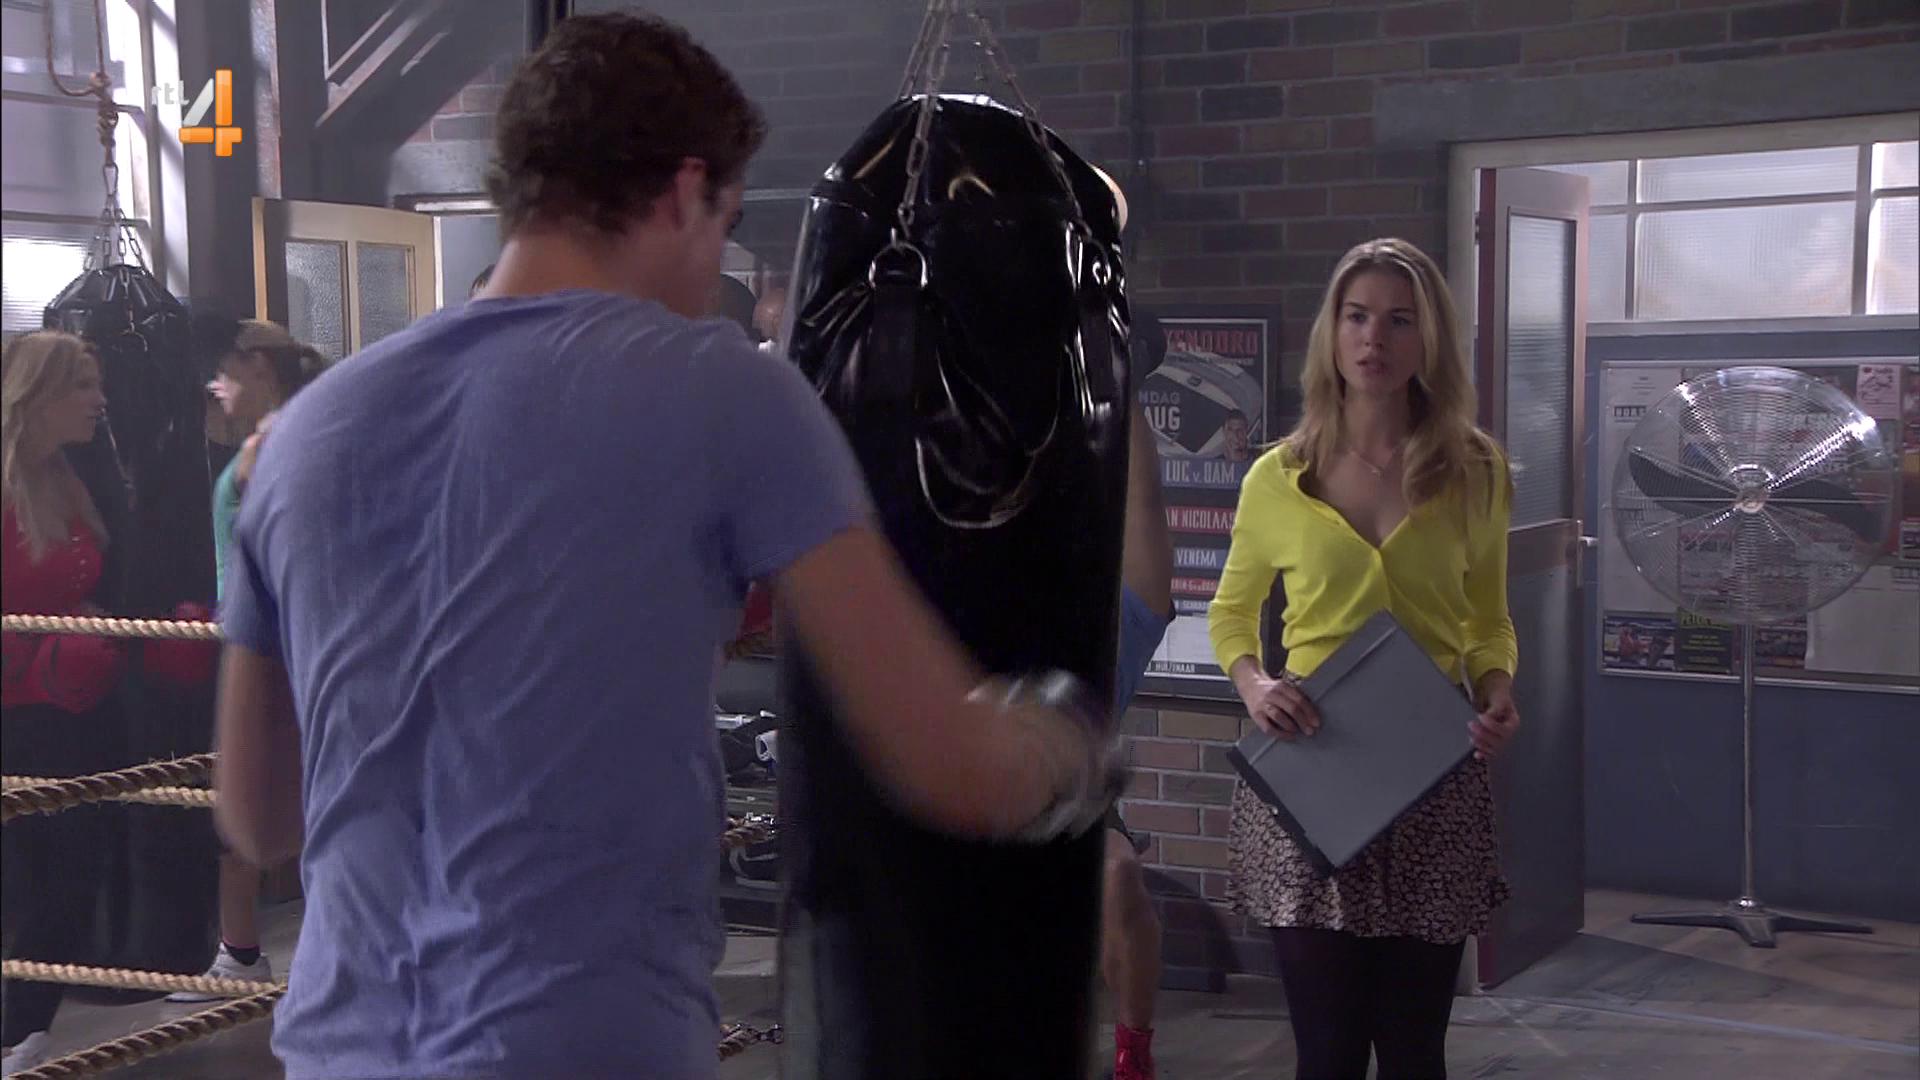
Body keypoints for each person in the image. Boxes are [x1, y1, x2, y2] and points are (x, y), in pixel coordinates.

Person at [211, 14, 1116, 1079]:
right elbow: (948, 765)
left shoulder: (301, 438)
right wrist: (1070, 746)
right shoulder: (723, 390)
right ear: (688, 191)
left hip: (341, 1051)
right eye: (724, 223)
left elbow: (259, 820)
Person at [1208, 238, 1521, 1080]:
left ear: (1429, 339)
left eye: (1398, 320)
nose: (1373, 338)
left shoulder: (1478, 471)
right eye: (1356, 317)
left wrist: (1496, 690)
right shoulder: (1278, 476)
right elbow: (1231, 614)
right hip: (1314, 768)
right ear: (1333, 332)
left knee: (1415, 1051)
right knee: (1329, 1052)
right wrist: (1253, 683)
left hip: (1433, 778)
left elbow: (1488, 619)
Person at [168, 320, 328, 1003]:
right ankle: (244, 951)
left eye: (225, 371)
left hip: (277, 648)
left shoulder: (280, 444)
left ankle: (279, 952)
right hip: (262, 640)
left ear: (258, 365)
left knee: (270, 805)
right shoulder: (274, 439)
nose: (216, 386)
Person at [1, 331, 126, 1075]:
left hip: (74, 710)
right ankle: (18, 1031)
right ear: (39, 393)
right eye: (83, 385)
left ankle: (23, 1031)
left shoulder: (69, 475)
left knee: (76, 868)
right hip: (19, 715)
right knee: (40, 874)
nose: (99, 400)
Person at [1103, 392, 1176, 1080]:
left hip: (1064, 801)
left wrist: (1118, 381)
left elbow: (1144, 505)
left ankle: (1134, 1056)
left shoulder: (1109, 627)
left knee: (1119, 873)